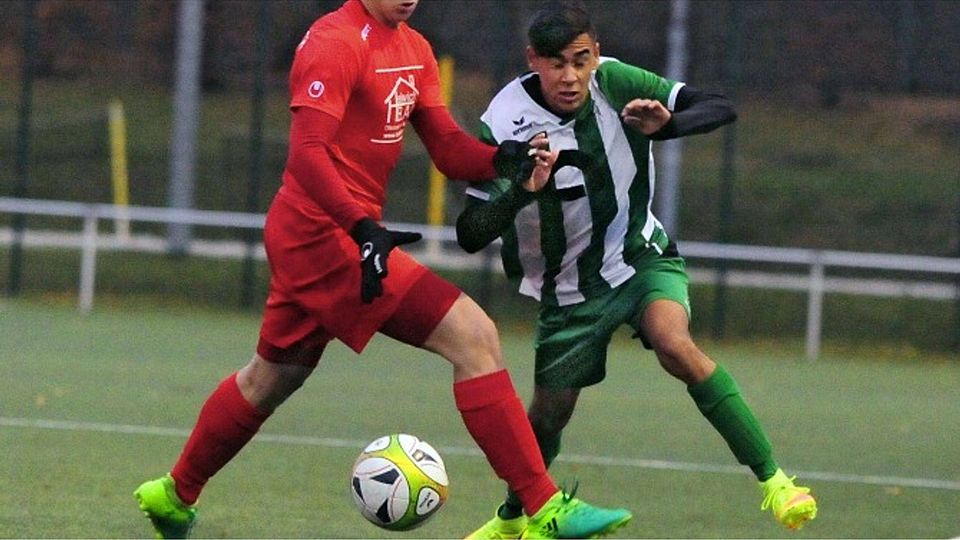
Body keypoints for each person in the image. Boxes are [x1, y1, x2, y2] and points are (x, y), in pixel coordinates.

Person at [132, 1, 632, 538]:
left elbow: (446, 148)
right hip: (323, 235)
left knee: (270, 377)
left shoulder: (414, 49)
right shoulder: (336, 42)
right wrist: (359, 226)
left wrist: (505, 158)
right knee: (474, 336)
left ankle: (173, 494)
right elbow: (307, 152)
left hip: (336, 236)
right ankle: (543, 509)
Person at [456, 2, 818, 538]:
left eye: (581, 60)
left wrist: (670, 125)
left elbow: (720, 107)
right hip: (569, 290)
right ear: (533, 60)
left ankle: (777, 483)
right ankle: (513, 521)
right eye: (556, 63)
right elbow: (470, 232)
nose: (571, 76)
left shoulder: (616, 81)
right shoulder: (503, 121)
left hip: (639, 257)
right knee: (549, 416)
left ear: (595, 53)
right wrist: (518, 192)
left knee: (675, 344)